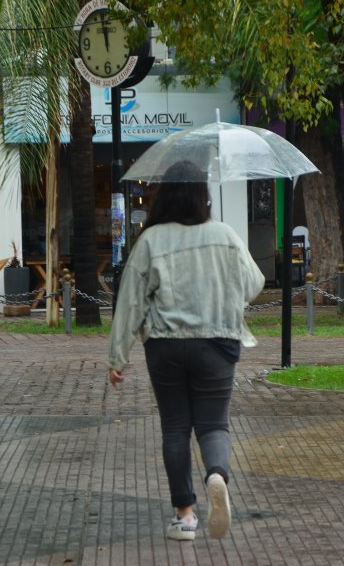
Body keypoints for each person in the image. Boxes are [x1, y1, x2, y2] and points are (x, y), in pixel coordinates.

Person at [108, 161, 265, 542]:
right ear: (202, 194)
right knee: (214, 425)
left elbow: (130, 301)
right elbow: (254, 282)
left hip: (165, 346)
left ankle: (185, 516)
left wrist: (118, 357)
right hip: (217, 344)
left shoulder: (151, 240)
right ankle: (216, 475)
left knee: (175, 427)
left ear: (166, 195)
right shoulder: (225, 235)